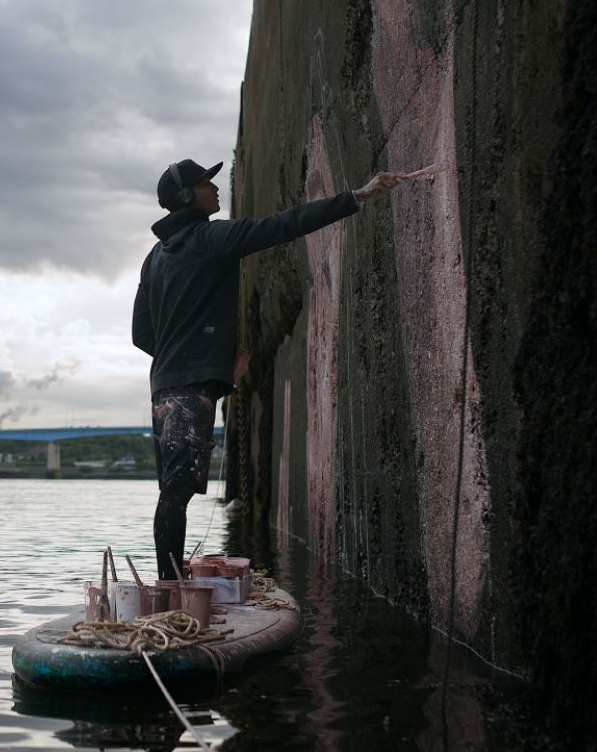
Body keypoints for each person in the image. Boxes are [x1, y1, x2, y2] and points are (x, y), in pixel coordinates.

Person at [132, 158, 402, 580]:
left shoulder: (153, 259)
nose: (215, 188)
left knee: (173, 490)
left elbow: (141, 334)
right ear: (186, 196)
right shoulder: (210, 238)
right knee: (177, 492)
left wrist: (188, 357)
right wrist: (357, 196)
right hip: (189, 388)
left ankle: (170, 582)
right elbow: (282, 225)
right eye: (207, 183)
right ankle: (170, 587)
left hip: (164, 388)